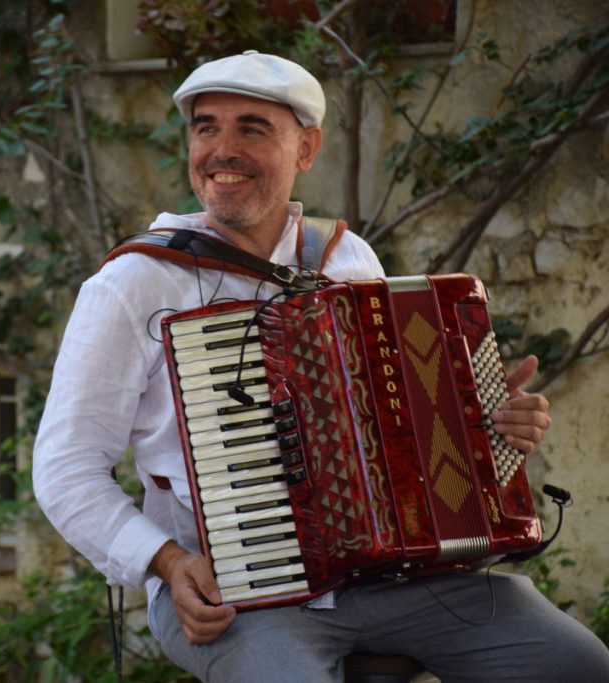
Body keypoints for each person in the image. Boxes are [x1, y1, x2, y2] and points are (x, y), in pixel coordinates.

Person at [33, 52, 609, 682]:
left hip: (396, 578)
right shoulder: (136, 283)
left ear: (306, 148)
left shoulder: (347, 259)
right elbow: (66, 469)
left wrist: (489, 429)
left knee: (575, 663)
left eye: (252, 128)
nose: (222, 150)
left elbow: (401, 432)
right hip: (237, 591)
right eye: (206, 128)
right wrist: (166, 562)